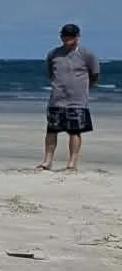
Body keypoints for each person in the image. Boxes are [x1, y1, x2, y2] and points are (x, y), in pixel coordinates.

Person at [42, 23, 99, 172]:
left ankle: (72, 163)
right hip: (57, 99)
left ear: (77, 37)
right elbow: (50, 74)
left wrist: (84, 88)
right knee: (52, 130)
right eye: (65, 35)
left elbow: (95, 74)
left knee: (75, 131)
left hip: (77, 101)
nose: (68, 38)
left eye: (71, 36)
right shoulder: (53, 54)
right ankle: (47, 162)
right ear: (61, 36)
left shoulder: (87, 54)